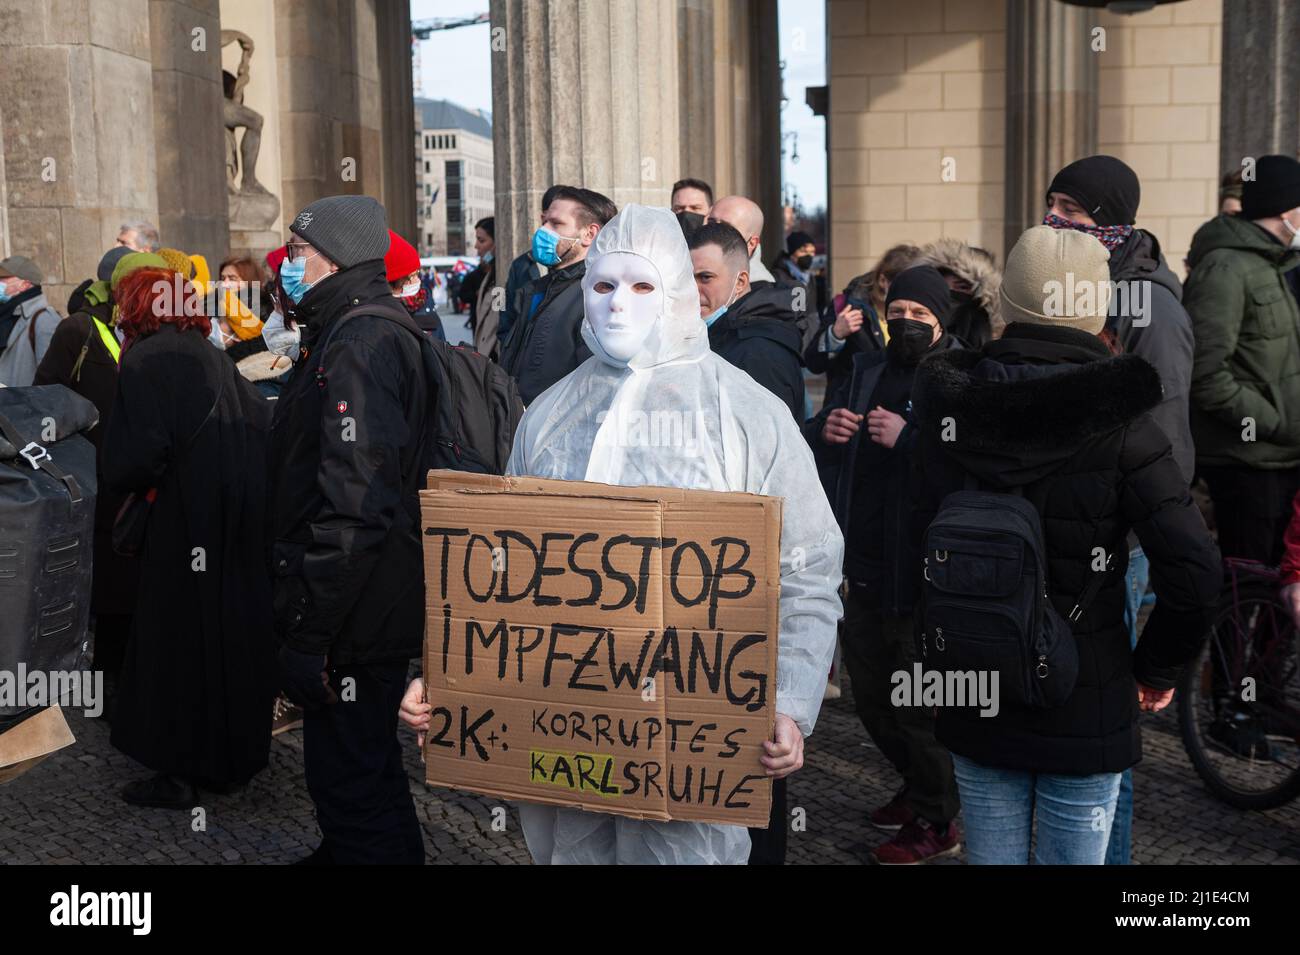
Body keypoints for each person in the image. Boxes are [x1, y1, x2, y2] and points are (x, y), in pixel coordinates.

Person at [400, 205, 843, 865]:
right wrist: (451, 676)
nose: (617, 304)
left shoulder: (747, 414)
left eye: (641, 286)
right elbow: (500, 575)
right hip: (565, 734)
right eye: (603, 285)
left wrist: (786, 699)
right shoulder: (547, 417)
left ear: (676, 292)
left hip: (690, 737)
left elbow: (807, 565)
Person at [909, 225, 1221, 865]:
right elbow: (1193, 569)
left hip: (974, 681)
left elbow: (911, 540)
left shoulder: (946, 411)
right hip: (1088, 692)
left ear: (1008, 305)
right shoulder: (1125, 425)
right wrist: (1155, 669)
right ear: (1097, 309)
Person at [268, 195, 428, 865]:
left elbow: (356, 502)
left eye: (299, 252)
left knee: (352, 768)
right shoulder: (355, 326)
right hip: (363, 601)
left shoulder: (362, 339)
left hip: (357, 611)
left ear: (333, 256)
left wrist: (311, 629)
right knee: (353, 762)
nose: (289, 265)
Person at [804, 265, 964, 864]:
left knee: (917, 702)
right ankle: (919, 786)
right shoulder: (868, 368)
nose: (906, 324)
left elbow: (972, 461)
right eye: (897, 314)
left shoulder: (961, 373)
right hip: (862, 563)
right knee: (871, 694)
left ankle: (937, 819)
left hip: (923, 572)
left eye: (920, 316)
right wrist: (827, 427)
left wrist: (913, 439)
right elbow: (817, 440)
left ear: (941, 320)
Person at [102, 266, 275, 808]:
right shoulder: (206, 351)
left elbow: (138, 456)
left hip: (183, 520)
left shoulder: (146, 359)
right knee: (227, 635)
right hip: (235, 516)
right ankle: (230, 758)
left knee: (175, 642)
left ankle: (178, 769)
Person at [33, 250, 165, 693]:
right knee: (111, 596)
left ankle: (140, 681)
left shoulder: (152, 330)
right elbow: (45, 398)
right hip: (96, 484)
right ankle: (110, 689)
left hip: (145, 479)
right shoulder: (79, 330)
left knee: (143, 590)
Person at [1044, 155, 1195, 484]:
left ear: (1108, 223)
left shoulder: (1150, 307)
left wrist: (1150, 524)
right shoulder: (1062, 284)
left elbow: (1165, 423)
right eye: (1051, 204)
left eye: (1070, 209)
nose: (1051, 218)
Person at [1185, 154, 1300, 565]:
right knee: (1244, 585)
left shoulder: (1273, 263)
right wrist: (1272, 422)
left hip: (1279, 458)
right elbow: (1206, 373)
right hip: (1248, 461)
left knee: (1274, 593)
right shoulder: (1226, 267)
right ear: (1286, 210)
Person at [499, 186, 616, 404]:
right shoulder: (535, 287)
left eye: (556, 223)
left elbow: (594, 389)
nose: (543, 229)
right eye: (544, 222)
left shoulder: (596, 296)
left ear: (589, 234)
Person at [689, 221, 805, 421]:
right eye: (687, 279)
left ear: (740, 282)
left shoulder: (759, 352)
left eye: (705, 277)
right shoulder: (708, 334)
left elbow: (767, 443)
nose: (692, 289)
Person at [805, 244, 918, 401]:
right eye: (904, 284)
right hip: (851, 413)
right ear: (883, 280)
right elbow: (813, 363)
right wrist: (835, 335)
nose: (913, 293)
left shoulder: (922, 315)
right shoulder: (848, 306)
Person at [499, 185, 565, 343]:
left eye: (557, 223)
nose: (548, 229)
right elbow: (504, 311)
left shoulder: (585, 269)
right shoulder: (520, 265)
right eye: (548, 221)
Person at [910, 239, 1002, 348]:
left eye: (962, 287)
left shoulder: (999, 354)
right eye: (940, 287)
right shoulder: (914, 344)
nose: (948, 293)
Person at [0, 255, 62, 387]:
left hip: (24, 405)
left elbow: (50, 381)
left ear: (24, 285)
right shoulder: (7, 315)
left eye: (3, 279)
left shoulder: (44, 319)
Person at [385, 229, 444, 340]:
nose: (416, 281)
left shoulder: (424, 297)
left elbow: (441, 343)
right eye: (409, 277)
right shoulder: (382, 311)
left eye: (417, 274)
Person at [707, 195, 777, 285]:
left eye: (726, 228)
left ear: (751, 244)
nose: (713, 232)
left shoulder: (760, 290)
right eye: (711, 223)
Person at [460, 216, 499, 356]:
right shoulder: (482, 275)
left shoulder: (500, 278)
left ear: (496, 243)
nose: (476, 246)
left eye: (481, 240)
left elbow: (498, 319)